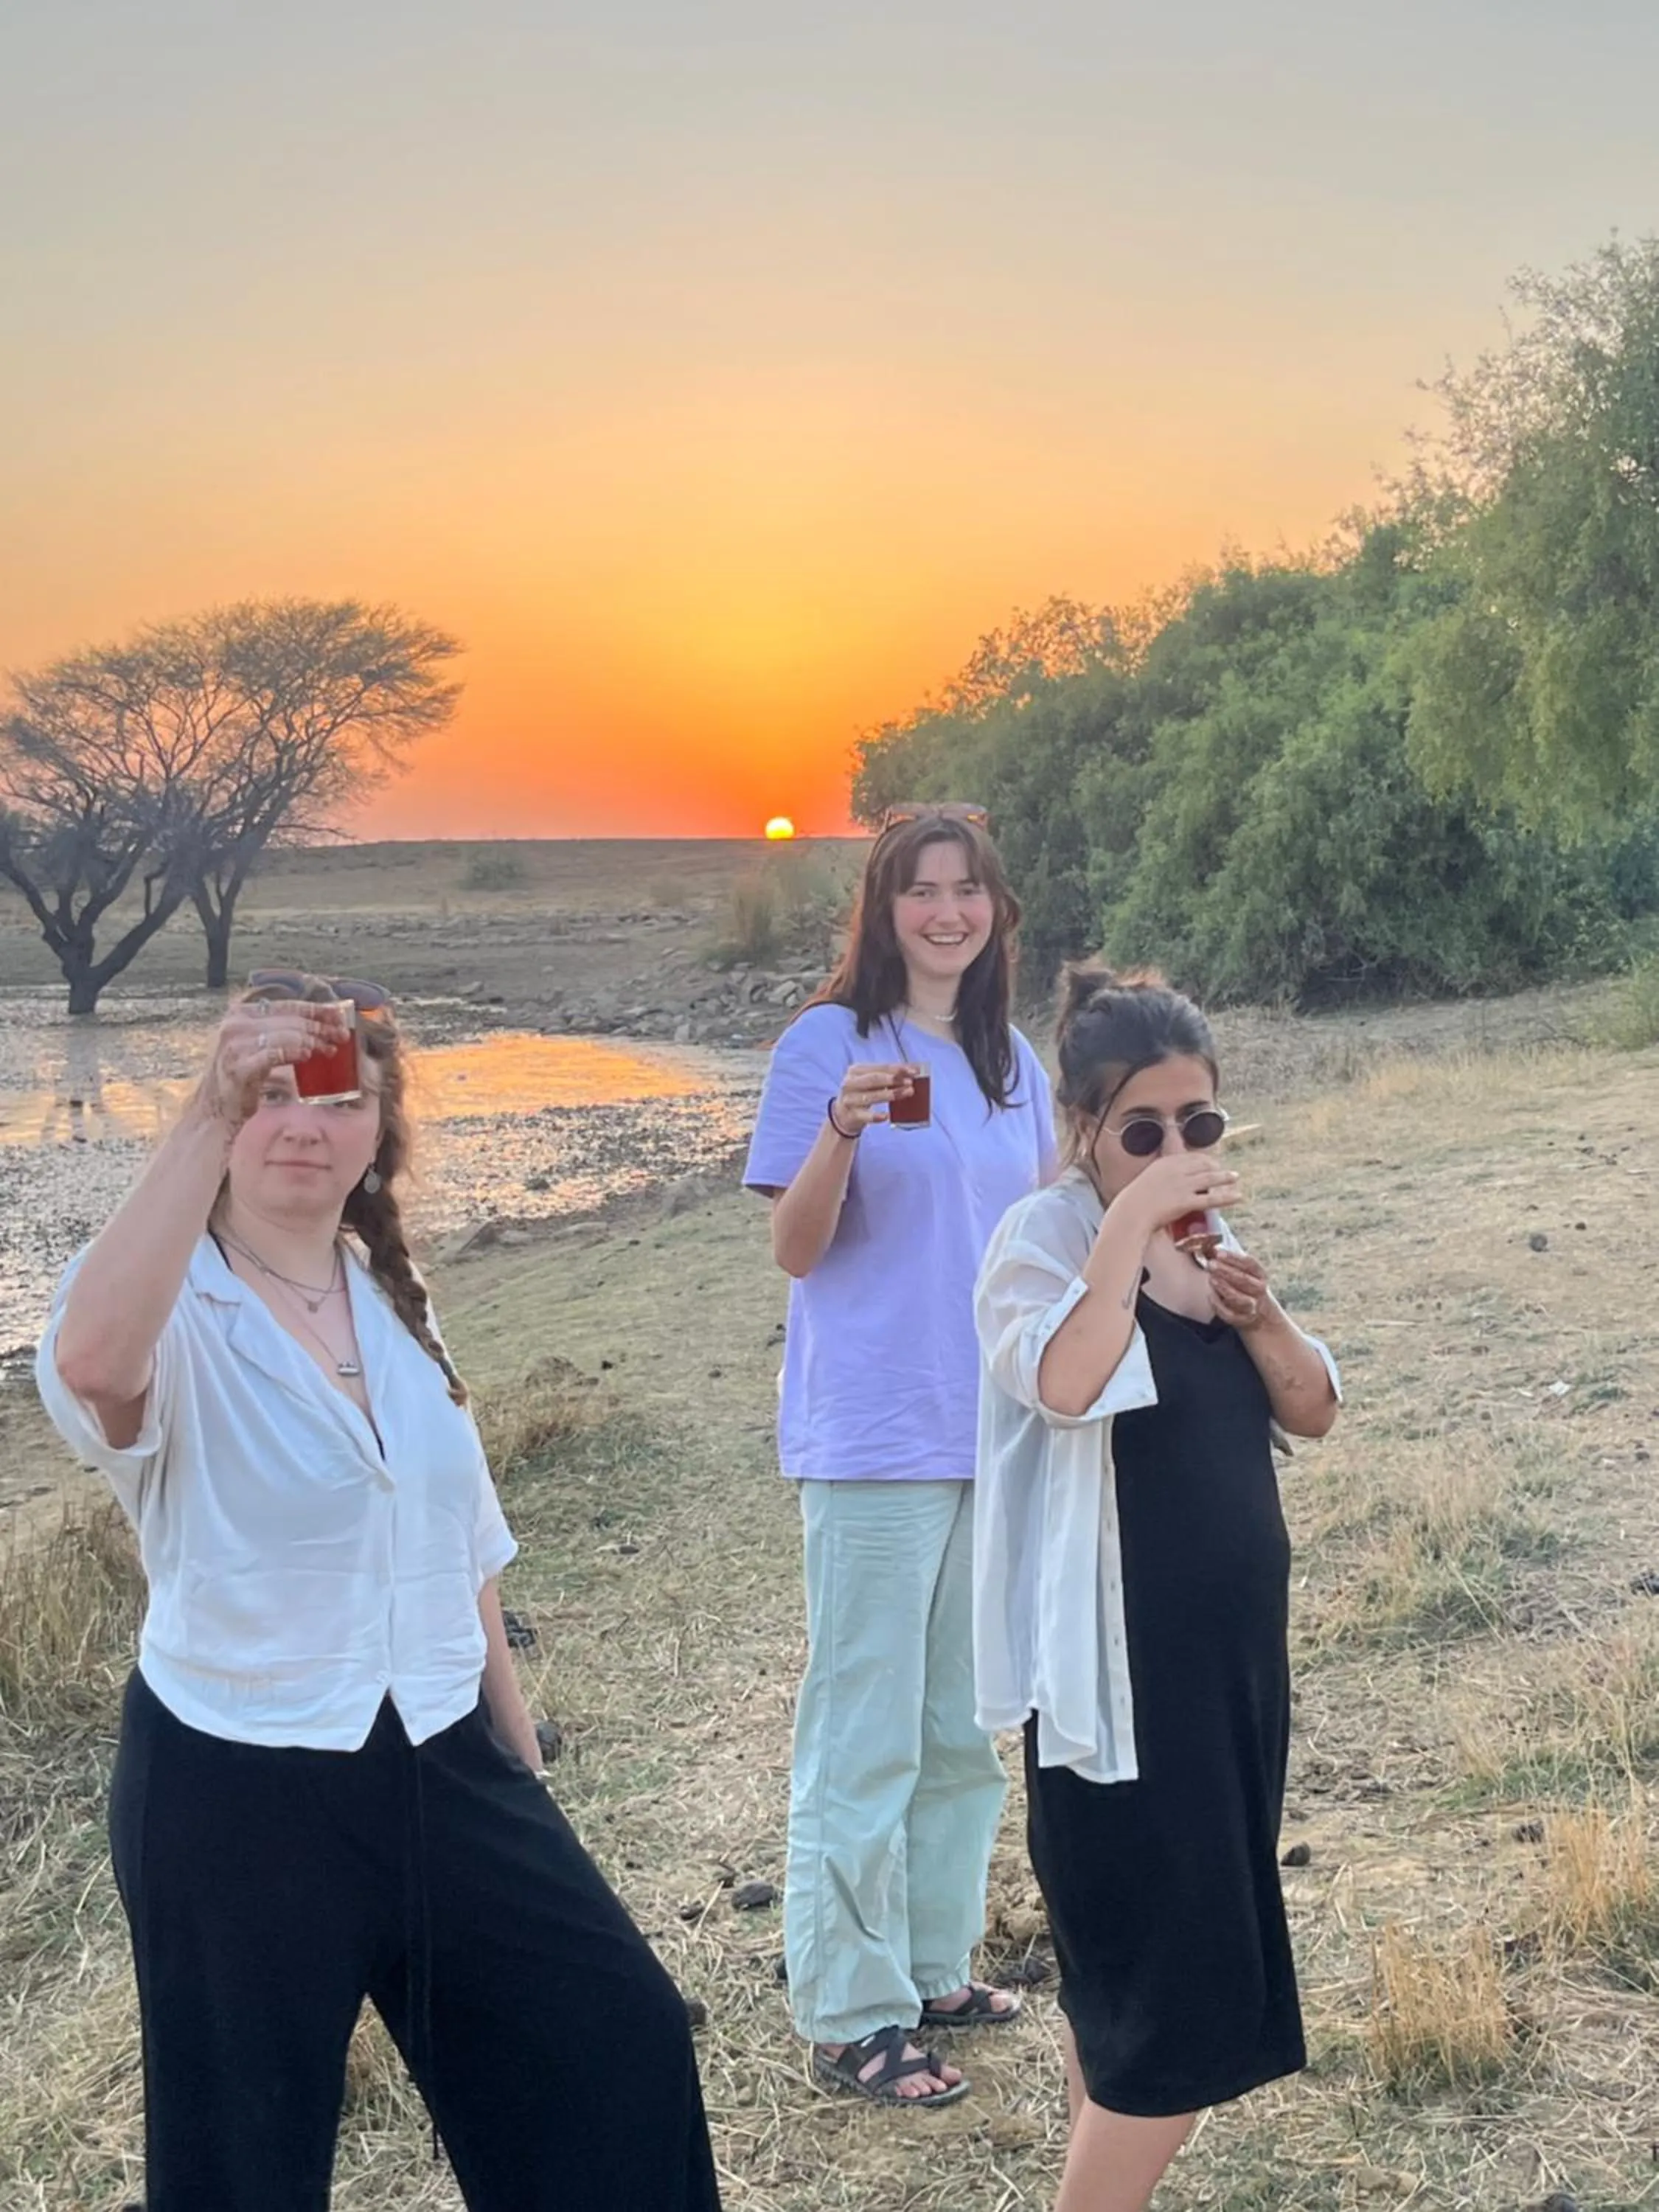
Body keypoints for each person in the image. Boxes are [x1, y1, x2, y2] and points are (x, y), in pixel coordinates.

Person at [35, 973, 723, 2212]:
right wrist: (202, 1109)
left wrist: (516, 1757)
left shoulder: (391, 1298)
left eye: (340, 1100)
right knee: (245, 2169)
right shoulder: (163, 1298)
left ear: (376, 1135)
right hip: (234, 1791)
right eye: (270, 1097)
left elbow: (462, 1543)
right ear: (224, 1115)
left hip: (442, 1761)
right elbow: (92, 1364)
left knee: (615, 2046)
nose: (304, 1125)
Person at [973, 963, 1340, 2212]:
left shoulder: (1214, 1246)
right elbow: (1063, 1382)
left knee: (1124, 1992)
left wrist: (1260, 1311)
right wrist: (1126, 1225)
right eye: (1144, 1130)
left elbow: (1315, 1410)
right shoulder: (1041, 1242)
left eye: (1201, 1124)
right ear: (1080, 1129)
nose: (1178, 1151)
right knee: (1175, 2001)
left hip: (1228, 1672)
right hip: (1115, 1688)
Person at [742, 804, 1056, 2108]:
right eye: (920, 890)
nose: (946, 912)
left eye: (967, 889)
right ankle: (845, 2009)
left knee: (956, 1726)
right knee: (860, 1731)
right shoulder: (829, 1043)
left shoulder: (1010, 1061)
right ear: (882, 910)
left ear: (994, 911)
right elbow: (796, 1251)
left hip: (991, 1428)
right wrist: (843, 1132)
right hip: (873, 1437)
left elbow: (1046, 1234)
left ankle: (931, 1966)